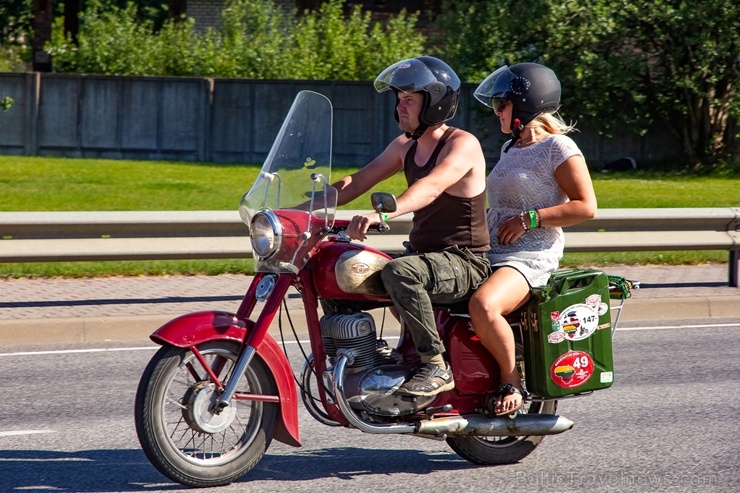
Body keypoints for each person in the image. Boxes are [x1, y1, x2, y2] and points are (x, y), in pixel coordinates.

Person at [330, 56, 492, 396]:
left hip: (465, 260)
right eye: (398, 101)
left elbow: (431, 187)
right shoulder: (406, 145)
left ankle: (435, 365)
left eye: (409, 101)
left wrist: (384, 214)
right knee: (339, 269)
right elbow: (357, 181)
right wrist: (296, 208)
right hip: (424, 256)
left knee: (401, 273)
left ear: (434, 105)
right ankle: (363, 358)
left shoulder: (462, 145)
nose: (400, 108)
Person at [468, 62, 597, 415]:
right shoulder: (510, 149)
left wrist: (530, 219)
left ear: (524, 106)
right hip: (492, 247)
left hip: (531, 254)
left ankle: (512, 381)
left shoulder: (559, 147)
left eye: (502, 105)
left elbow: (586, 207)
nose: (496, 112)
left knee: (484, 305)